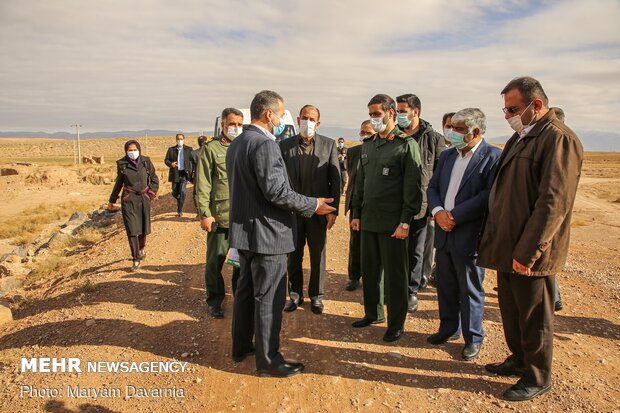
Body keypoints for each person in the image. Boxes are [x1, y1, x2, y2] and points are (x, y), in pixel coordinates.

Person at [478, 77, 583, 401]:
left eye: (513, 108)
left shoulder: (557, 139)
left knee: (535, 316)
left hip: (530, 253)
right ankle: (519, 359)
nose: (507, 115)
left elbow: (553, 202)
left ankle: (537, 376)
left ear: (536, 105)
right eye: (505, 109)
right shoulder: (522, 137)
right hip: (508, 247)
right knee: (511, 311)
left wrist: (528, 252)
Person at [227, 90, 335, 378]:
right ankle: (268, 360)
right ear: (268, 114)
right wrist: (314, 204)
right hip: (268, 237)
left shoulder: (237, 143)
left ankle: (241, 347)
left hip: (246, 234)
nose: (283, 119)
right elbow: (277, 192)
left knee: (247, 294)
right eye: (281, 113)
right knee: (269, 298)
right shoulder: (265, 145)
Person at [426, 108, 501, 361]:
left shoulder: (492, 157)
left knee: (470, 288)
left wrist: (454, 216)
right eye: (451, 127)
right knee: (445, 285)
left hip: (468, 234)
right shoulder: (448, 156)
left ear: (475, 132)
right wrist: (437, 212)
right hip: (444, 232)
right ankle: (448, 328)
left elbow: (488, 196)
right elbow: (434, 186)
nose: (451, 132)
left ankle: (473, 337)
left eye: (457, 129)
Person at [350, 94, 422, 343]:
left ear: (391, 113)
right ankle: (373, 313)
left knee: (395, 276)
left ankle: (396, 323)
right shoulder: (369, 145)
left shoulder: (405, 145)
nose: (373, 118)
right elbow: (361, 183)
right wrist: (356, 213)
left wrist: (405, 222)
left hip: (393, 224)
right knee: (370, 272)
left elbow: (412, 188)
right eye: (370, 114)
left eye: (377, 113)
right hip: (369, 220)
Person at [280, 105, 340, 314]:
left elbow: (335, 180)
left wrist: (333, 211)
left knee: (318, 255)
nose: (308, 122)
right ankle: (295, 295)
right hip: (293, 212)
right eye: (305, 118)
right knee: (293, 256)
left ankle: (317, 296)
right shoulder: (284, 146)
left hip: (319, 212)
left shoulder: (329, 145)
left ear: (318, 123)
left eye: (312, 119)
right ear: (298, 120)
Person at [395, 94, 446, 312]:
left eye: (402, 110)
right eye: (397, 111)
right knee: (395, 248)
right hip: (395, 204)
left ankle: (411, 291)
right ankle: (394, 287)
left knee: (416, 250)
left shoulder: (433, 138)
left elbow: (441, 174)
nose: (399, 115)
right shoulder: (393, 136)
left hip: (422, 205)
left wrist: (437, 205)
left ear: (416, 112)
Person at [196, 109, 243, 319]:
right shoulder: (211, 149)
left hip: (243, 219)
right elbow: (203, 183)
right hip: (220, 217)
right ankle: (215, 301)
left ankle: (240, 300)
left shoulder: (245, 147)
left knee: (241, 265)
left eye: (239, 124)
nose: (236, 128)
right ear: (223, 125)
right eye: (232, 124)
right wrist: (205, 213)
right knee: (215, 263)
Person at [108, 140, 159, 271]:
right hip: (128, 199)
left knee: (143, 228)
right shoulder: (122, 164)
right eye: (129, 150)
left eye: (134, 149)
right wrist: (112, 200)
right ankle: (135, 258)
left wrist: (151, 194)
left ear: (139, 149)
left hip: (144, 198)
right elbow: (119, 182)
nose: (132, 152)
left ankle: (141, 248)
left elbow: (154, 179)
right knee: (132, 230)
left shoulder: (146, 161)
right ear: (126, 151)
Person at [344, 120, 373, 291]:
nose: (364, 136)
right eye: (362, 132)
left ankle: (371, 276)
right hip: (356, 202)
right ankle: (354, 277)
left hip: (374, 204)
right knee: (356, 242)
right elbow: (351, 174)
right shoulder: (353, 152)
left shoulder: (380, 152)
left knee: (371, 243)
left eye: (368, 132)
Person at [164, 133, 194, 217]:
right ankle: (179, 199)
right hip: (175, 174)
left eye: (181, 139)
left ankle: (179, 210)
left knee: (183, 191)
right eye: (178, 139)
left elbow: (192, 160)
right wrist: (171, 164)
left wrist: (191, 171)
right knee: (175, 192)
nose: (179, 140)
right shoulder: (171, 150)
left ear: (184, 139)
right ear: (176, 140)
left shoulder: (189, 149)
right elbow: (166, 160)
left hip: (184, 174)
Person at [191, 135, 210, 216]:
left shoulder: (194, 153)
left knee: (196, 193)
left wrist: (191, 179)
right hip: (209, 175)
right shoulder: (210, 151)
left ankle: (199, 211)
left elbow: (190, 168)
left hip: (197, 176)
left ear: (198, 143)